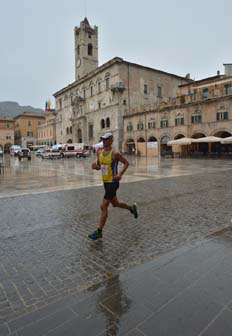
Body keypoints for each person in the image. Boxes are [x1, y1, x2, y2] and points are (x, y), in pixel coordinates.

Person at [88, 132, 138, 240]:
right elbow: (99, 166)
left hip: (113, 182)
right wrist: (95, 166)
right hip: (106, 182)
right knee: (115, 203)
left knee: (103, 205)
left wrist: (120, 174)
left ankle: (99, 231)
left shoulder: (115, 153)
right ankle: (131, 208)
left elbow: (126, 163)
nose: (104, 141)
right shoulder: (99, 152)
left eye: (106, 139)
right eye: (103, 139)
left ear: (111, 140)